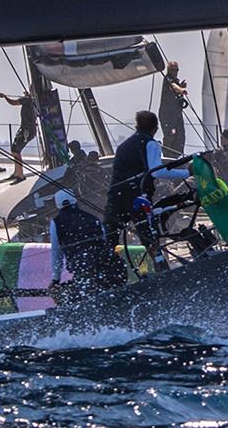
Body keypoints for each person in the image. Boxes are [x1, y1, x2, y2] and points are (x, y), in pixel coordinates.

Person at [104, 110, 190, 269]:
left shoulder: (123, 146)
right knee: (148, 234)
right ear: (155, 128)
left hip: (115, 195)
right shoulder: (150, 143)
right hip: (136, 196)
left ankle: (108, 274)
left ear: (137, 126)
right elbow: (157, 171)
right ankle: (162, 269)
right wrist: (188, 173)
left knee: (111, 235)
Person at [49, 189, 125, 300]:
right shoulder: (93, 218)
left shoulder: (56, 223)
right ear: (75, 201)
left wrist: (56, 279)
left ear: (58, 205)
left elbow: (56, 253)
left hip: (83, 267)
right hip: (109, 264)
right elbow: (104, 241)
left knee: (86, 297)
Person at [0, 90, 37, 183]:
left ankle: (20, 175)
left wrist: (5, 96)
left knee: (16, 151)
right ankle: (17, 173)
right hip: (29, 130)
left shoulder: (27, 100)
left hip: (26, 130)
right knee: (14, 150)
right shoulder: (34, 102)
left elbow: (14, 103)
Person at [158, 60, 188, 157]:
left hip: (177, 114)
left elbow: (176, 86)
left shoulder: (176, 81)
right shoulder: (167, 79)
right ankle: (167, 156)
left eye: (176, 70)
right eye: (172, 70)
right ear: (168, 70)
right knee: (170, 136)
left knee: (181, 137)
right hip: (167, 115)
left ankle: (176, 157)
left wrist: (181, 86)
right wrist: (181, 89)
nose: (174, 72)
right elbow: (173, 86)